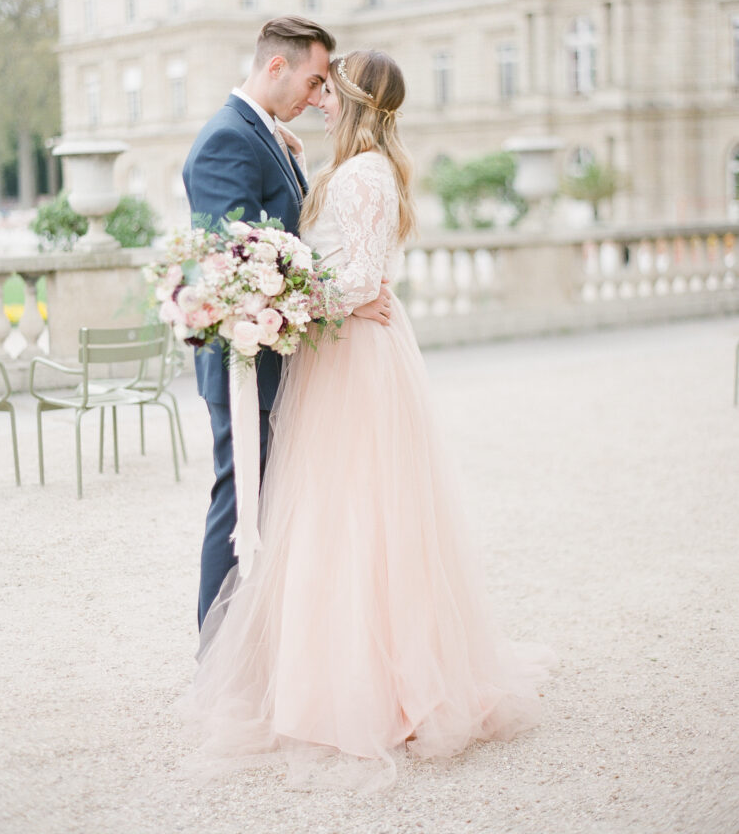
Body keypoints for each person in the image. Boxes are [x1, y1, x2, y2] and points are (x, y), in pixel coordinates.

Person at [180, 50, 554, 791]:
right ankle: (334, 670)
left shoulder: (361, 174)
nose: (319, 101)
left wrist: (287, 299)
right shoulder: (353, 168)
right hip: (347, 351)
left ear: (351, 100)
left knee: (353, 516)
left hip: (353, 358)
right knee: (339, 515)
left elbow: (353, 278)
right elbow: (353, 272)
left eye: (329, 90)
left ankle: (368, 686)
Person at [182, 18, 391, 629]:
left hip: (280, 356)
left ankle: (261, 651)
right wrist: (346, 298)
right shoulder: (228, 138)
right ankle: (218, 654)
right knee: (241, 502)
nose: (318, 96)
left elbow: (288, 239)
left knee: (271, 505)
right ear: (277, 67)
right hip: (247, 361)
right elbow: (239, 264)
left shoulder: (267, 135)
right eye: (314, 81)